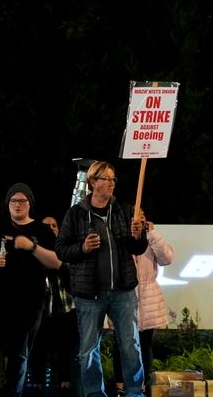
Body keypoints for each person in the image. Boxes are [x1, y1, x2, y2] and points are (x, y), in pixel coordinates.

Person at [55, 161, 148, 397]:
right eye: (107, 178)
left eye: (114, 179)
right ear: (93, 182)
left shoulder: (124, 210)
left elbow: (137, 248)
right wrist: (83, 248)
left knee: (130, 345)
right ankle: (95, 394)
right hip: (89, 294)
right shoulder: (76, 214)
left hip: (123, 292)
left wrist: (139, 236)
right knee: (88, 349)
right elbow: (61, 250)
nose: (112, 183)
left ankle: (135, 392)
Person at [0, 183, 61, 397]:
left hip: (29, 302)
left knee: (18, 353)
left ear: (30, 204)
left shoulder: (42, 231)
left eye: (22, 200)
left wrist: (31, 246)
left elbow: (57, 262)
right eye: (13, 200)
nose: (17, 205)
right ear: (8, 204)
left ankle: (13, 392)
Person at [113, 207, 174, 395]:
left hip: (148, 296)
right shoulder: (122, 235)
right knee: (121, 341)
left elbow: (167, 259)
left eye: (142, 216)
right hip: (124, 293)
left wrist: (152, 233)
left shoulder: (151, 236)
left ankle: (143, 385)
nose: (139, 220)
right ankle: (120, 385)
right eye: (135, 217)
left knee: (144, 343)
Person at [28, 215, 81, 397]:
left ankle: (66, 386)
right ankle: (36, 386)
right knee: (38, 349)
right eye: (46, 226)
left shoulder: (65, 248)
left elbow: (70, 272)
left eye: (54, 225)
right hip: (42, 307)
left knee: (66, 348)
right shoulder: (34, 250)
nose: (51, 229)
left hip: (66, 305)